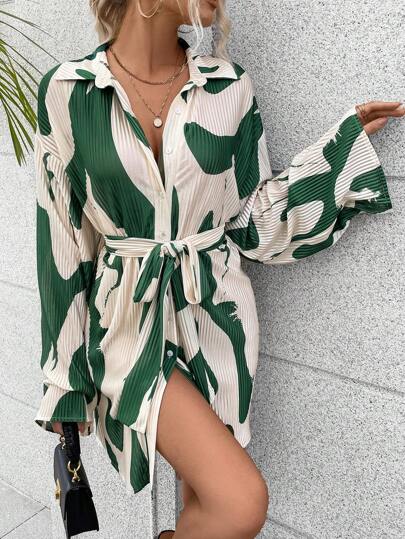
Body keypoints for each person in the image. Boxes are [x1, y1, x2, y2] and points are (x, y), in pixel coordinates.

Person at [33, 0, 404, 538]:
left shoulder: (229, 88)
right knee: (241, 504)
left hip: (218, 317)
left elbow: (252, 218)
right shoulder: (69, 91)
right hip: (128, 324)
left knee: (206, 507)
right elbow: (62, 242)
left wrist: (342, 150)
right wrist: (64, 381)